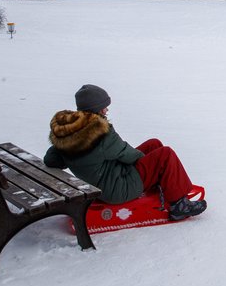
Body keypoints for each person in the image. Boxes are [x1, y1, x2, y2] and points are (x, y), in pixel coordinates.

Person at [44, 84, 207, 221]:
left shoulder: (69, 135)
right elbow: (128, 154)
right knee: (165, 155)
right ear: (97, 110)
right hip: (116, 189)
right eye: (104, 107)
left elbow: (51, 160)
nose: (107, 110)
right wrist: (151, 167)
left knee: (153, 144)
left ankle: (166, 183)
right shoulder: (100, 134)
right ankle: (179, 205)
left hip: (102, 181)